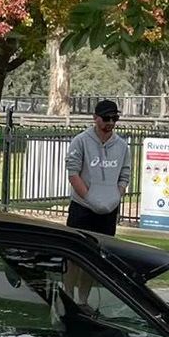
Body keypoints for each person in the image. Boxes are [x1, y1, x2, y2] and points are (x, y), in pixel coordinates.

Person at [64, 99, 130, 236]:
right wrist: (89, 198)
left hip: (109, 211)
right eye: (106, 118)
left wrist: (116, 196)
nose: (111, 122)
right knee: (78, 251)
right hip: (82, 208)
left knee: (104, 252)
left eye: (114, 118)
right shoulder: (81, 141)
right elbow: (73, 174)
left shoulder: (122, 146)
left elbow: (125, 174)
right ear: (95, 118)